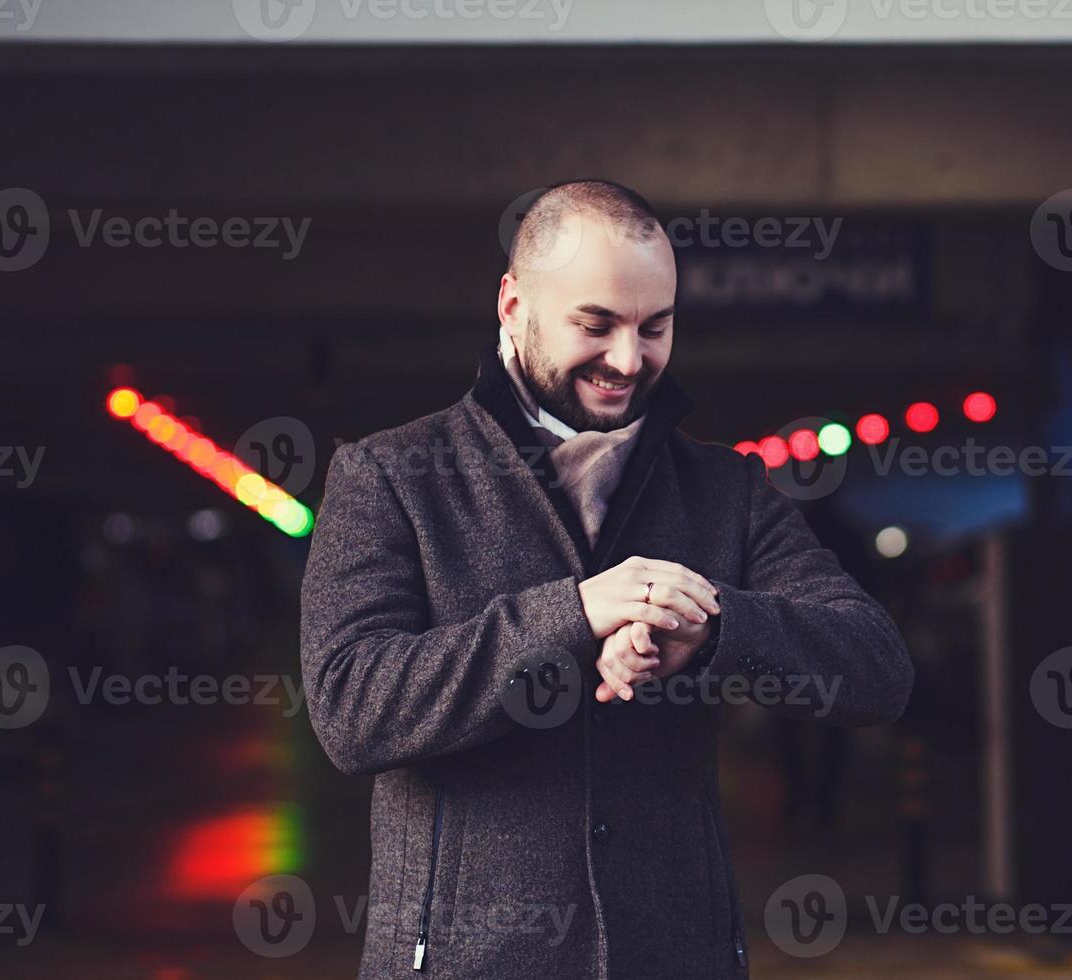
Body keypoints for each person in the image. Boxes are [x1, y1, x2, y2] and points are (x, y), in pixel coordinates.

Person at [299, 179, 913, 979]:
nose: (629, 360)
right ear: (513, 305)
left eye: (655, 327)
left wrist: (715, 628)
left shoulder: (725, 491)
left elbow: (877, 671)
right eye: (596, 324)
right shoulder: (390, 476)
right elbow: (352, 710)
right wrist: (573, 614)